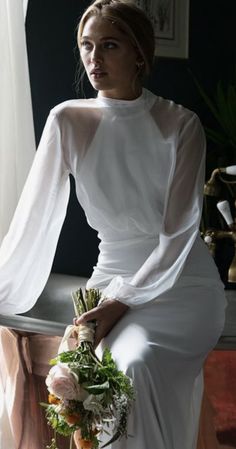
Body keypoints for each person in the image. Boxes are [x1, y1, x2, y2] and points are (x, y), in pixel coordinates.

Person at [0, 1, 226, 448]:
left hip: (184, 286)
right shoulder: (68, 119)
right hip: (110, 280)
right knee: (114, 374)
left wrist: (119, 303)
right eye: (86, 46)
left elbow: (178, 235)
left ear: (139, 53)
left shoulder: (181, 125)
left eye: (109, 45)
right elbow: (32, 220)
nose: (94, 59)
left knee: (138, 364)